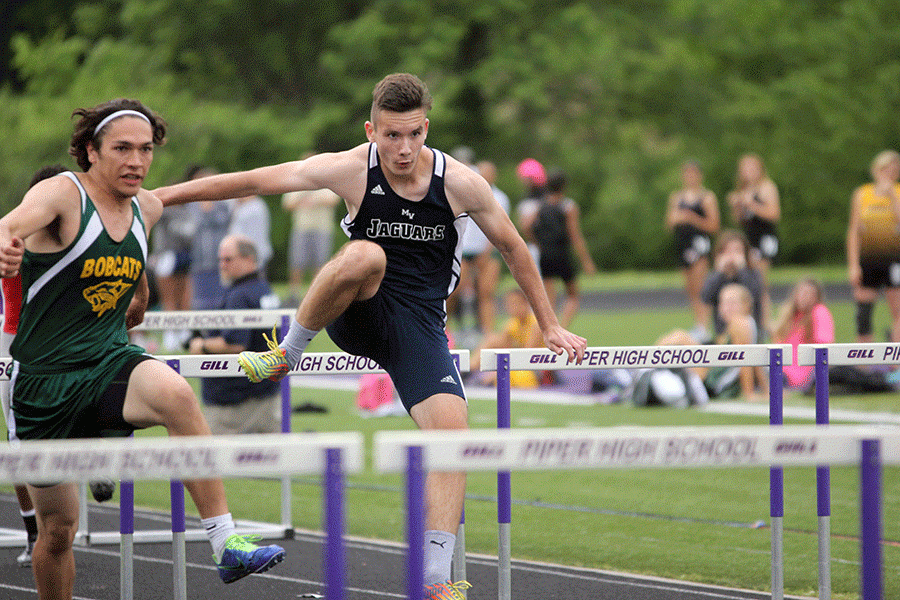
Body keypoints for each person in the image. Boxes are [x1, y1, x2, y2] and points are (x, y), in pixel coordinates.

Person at [153, 73, 587, 598]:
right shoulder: (351, 168)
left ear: (426, 128)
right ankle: (286, 353)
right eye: (390, 136)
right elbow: (257, 181)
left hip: (419, 326)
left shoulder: (461, 183)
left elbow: (515, 248)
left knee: (455, 441)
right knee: (365, 252)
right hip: (358, 311)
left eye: (413, 135)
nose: (403, 150)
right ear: (370, 130)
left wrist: (549, 323)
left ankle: (435, 582)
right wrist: (162, 196)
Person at [0, 99, 284, 598]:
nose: (136, 161)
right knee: (59, 531)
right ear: (91, 151)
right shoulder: (62, 193)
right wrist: (4, 243)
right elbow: (12, 223)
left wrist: (143, 297)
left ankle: (224, 542)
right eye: (122, 149)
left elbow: (141, 262)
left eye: (146, 150)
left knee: (176, 393)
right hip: (44, 382)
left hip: (108, 360)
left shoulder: (145, 208)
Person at [2, 165, 66, 568]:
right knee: (18, 441)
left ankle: (101, 446)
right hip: (16, 341)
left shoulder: (84, 235)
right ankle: (32, 530)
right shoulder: (14, 234)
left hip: (66, 340)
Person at [187, 234, 282, 434]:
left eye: (228, 259)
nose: (222, 265)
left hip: (234, 405)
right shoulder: (264, 289)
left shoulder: (239, 295)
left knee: (220, 462)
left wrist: (201, 346)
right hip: (267, 395)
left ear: (249, 260)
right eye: (220, 259)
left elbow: (235, 344)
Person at [659, 283, 764, 402]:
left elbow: (747, 361)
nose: (726, 308)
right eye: (723, 303)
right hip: (713, 378)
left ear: (746, 304)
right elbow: (757, 361)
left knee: (680, 337)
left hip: (716, 384)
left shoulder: (740, 323)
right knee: (679, 338)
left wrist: (749, 393)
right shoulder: (742, 325)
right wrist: (768, 390)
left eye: (732, 303)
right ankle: (647, 369)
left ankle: (645, 368)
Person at [531, 168, 597, 329]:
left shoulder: (540, 205)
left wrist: (538, 242)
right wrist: (586, 261)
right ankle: (563, 327)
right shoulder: (568, 206)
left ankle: (549, 329)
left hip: (545, 253)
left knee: (549, 298)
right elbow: (575, 235)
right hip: (562, 253)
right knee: (573, 295)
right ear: (564, 186)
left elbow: (528, 225)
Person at [846, 149, 900, 343]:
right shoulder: (863, 194)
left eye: (894, 170)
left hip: (893, 258)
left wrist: (892, 196)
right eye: (886, 169)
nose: (890, 173)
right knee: (863, 313)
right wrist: (853, 264)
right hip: (868, 258)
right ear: (876, 170)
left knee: (897, 310)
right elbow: (854, 231)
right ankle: (864, 365)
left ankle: (896, 363)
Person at [665, 160, 720, 338]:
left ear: (700, 175)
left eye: (693, 173)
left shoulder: (707, 197)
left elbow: (714, 225)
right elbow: (669, 222)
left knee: (700, 284)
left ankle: (704, 325)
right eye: (687, 173)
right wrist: (678, 219)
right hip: (683, 244)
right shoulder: (676, 197)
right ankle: (698, 323)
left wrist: (692, 218)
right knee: (689, 287)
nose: (690, 177)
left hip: (699, 244)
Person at [727, 153, 780, 332]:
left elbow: (773, 214)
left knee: (760, 281)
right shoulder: (743, 190)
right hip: (749, 240)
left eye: (752, 168)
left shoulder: (767, 187)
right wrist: (736, 205)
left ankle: (764, 322)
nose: (749, 172)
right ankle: (756, 320)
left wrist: (751, 204)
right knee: (752, 281)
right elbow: (739, 220)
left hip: (764, 239)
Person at [281, 151, 342, 305]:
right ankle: (294, 294)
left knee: (320, 263)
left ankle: (317, 295)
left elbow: (333, 200)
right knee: (297, 262)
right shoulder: (297, 183)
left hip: (322, 229)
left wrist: (313, 200)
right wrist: (304, 199)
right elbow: (287, 204)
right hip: (302, 228)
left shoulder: (326, 182)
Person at [149, 171, 195, 350]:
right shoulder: (162, 210)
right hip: (167, 255)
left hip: (182, 255)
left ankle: (184, 333)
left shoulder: (187, 211)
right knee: (168, 299)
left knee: (183, 296)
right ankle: (171, 335)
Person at [772, 277, 835, 390]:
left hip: (805, 374)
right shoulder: (789, 314)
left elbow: (824, 349)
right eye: (801, 293)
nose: (804, 297)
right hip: (783, 370)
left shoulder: (819, 312)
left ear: (816, 297)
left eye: (809, 294)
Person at [470, 288, 542, 388]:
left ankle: (488, 376)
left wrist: (496, 373)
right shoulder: (512, 324)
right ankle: (468, 369)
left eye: (516, 303)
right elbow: (502, 345)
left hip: (536, 367)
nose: (513, 307)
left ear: (526, 303)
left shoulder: (535, 324)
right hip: (519, 362)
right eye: (510, 304)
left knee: (510, 375)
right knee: (492, 339)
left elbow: (526, 356)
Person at [700, 229, 763, 338]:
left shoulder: (752, 274)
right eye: (727, 251)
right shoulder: (716, 276)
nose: (732, 256)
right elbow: (705, 297)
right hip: (722, 335)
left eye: (737, 251)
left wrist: (742, 270)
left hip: (747, 335)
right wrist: (720, 273)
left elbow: (754, 295)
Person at [186, 165, 232, 310]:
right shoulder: (191, 205)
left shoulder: (223, 204)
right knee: (200, 301)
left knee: (220, 298)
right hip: (198, 261)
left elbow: (221, 221)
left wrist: (209, 208)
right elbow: (193, 226)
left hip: (219, 261)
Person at [229, 193, 273, 274]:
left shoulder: (255, 207)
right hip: (249, 253)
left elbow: (242, 234)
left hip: (253, 254)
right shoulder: (250, 206)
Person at [515, 158, 546, 266]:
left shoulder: (529, 202)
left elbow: (525, 226)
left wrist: (536, 243)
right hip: (553, 245)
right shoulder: (549, 197)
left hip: (537, 245)